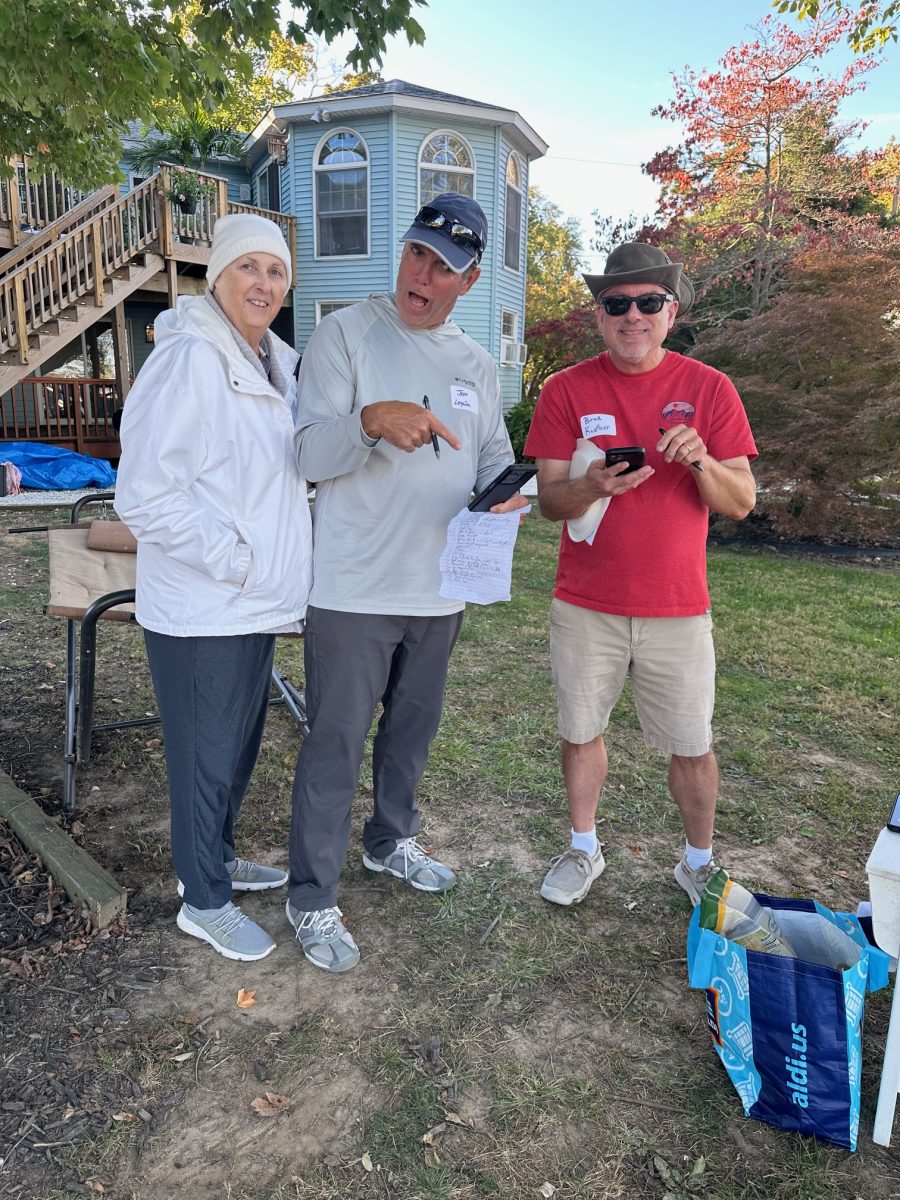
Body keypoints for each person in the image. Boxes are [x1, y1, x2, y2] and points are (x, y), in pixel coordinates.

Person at [288, 193, 527, 972]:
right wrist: (368, 422)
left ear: (470, 280)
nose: (422, 274)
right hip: (354, 588)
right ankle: (312, 895)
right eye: (417, 253)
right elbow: (306, 455)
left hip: (440, 587)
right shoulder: (344, 334)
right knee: (335, 742)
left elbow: (491, 459)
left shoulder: (474, 363)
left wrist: (505, 493)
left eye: (444, 266)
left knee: (411, 733)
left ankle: (390, 840)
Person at [524, 243, 757, 909]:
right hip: (585, 603)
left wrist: (702, 462)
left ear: (670, 312)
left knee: (692, 745)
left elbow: (741, 501)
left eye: (649, 302)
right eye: (617, 303)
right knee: (580, 733)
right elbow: (549, 502)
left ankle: (698, 864)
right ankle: (583, 848)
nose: (633, 315)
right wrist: (592, 484)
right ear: (599, 315)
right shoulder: (565, 389)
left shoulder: (710, 389)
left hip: (678, 606)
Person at [115, 214, 313, 961]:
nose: (263, 283)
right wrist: (236, 560)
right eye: (247, 268)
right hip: (204, 605)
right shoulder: (190, 359)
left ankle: (219, 859)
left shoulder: (275, 363)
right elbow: (144, 494)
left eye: (275, 271)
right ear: (216, 276)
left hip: (252, 602)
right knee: (203, 758)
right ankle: (202, 900)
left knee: (234, 751)